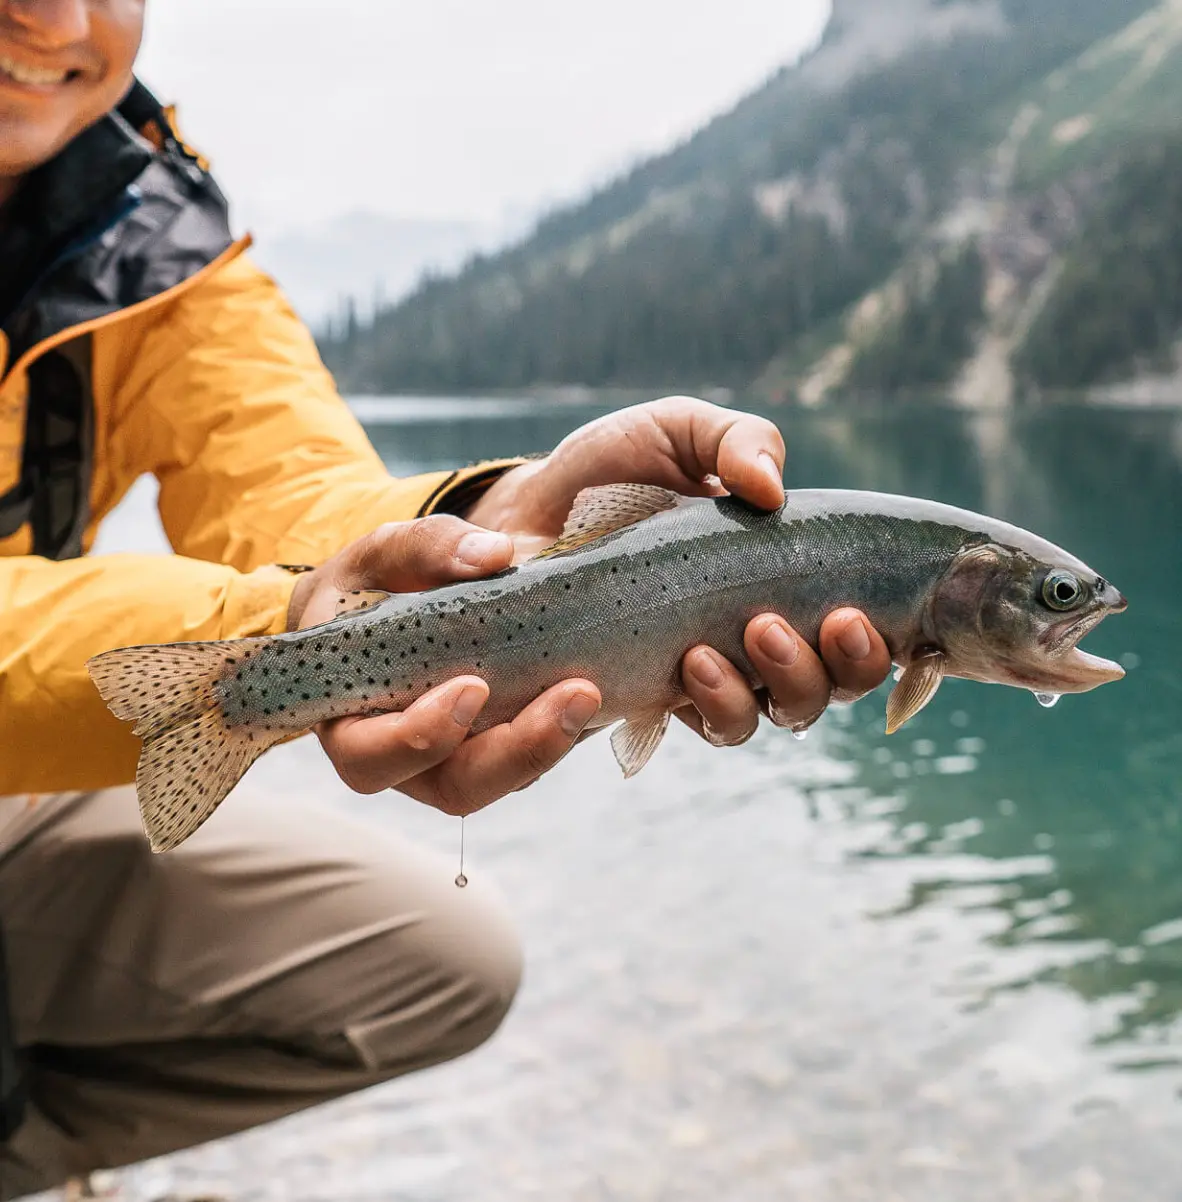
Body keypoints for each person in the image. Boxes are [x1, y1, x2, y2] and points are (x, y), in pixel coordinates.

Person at [0, 1, 893, 1197]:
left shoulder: (148, 224)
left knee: (445, 959)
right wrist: (272, 633)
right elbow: (272, 595)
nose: (57, 13)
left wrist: (486, 529)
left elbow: (293, 489)